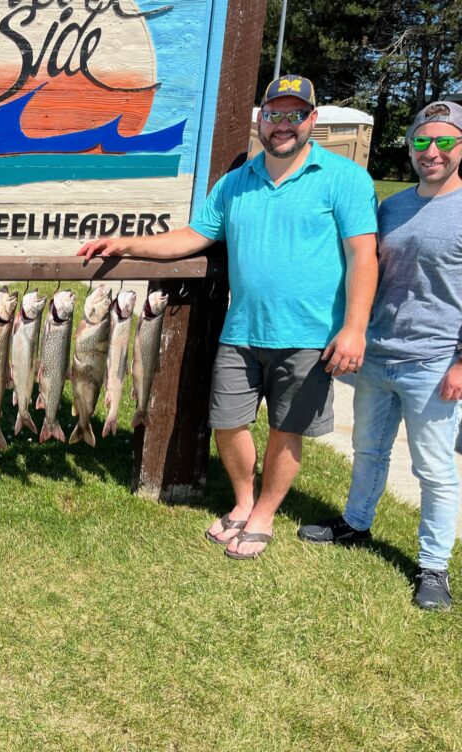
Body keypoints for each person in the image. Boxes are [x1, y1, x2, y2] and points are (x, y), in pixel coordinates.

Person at [78, 75, 379, 560]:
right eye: (274, 114)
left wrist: (355, 327)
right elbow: (192, 236)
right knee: (228, 422)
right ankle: (243, 502)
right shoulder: (236, 182)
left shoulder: (344, 179)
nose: (283, 125)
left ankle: (264, 515)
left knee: (287, 429)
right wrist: (127, 244)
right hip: (241, 329)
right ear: (260, 120)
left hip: (310, 334)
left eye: (295, 115)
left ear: (311, 121)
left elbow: (364, 257)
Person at [298, 101, 462, 610]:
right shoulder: (391, 207)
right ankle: (356, 523)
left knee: (434, 469)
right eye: (421, 141)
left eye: (444, 142)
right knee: (369, 449)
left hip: (435, 363)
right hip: (378, 351)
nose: (431, 152)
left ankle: (433, 566)